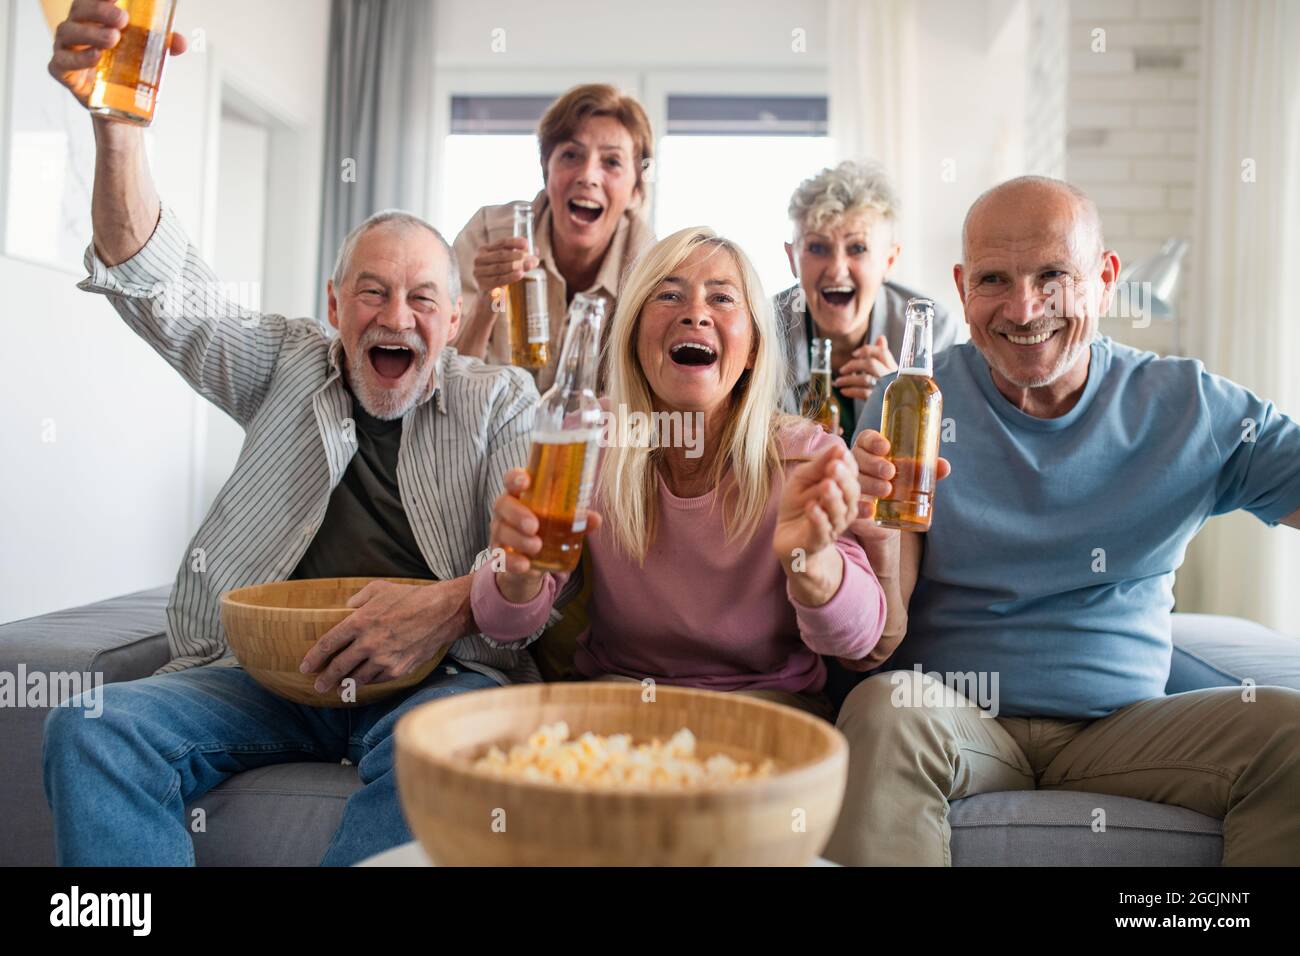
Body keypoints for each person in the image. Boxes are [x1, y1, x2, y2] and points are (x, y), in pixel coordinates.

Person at [41, 0, 537, 866]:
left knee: (449, 755)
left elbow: (531, 576)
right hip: (263, 679)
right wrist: (117, 127)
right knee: (92, 728)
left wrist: (445, 605)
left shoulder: (501, 401)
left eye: (423, 297)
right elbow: (160, 288)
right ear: (335, 305)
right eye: (372, 293)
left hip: (431, 683)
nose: (396, 315)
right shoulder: (287, 360)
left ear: (454, 319)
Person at [830, 175, 1300, 866]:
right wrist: (863, 537)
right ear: (962, 289)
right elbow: (877, 639)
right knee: (883, 708)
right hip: (959, 723)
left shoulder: (1185, 406)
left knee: (1288, 733)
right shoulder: (914, 405)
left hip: (1125, 730)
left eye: (1053, 275)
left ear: (1104, 280)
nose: (1025, 308)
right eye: (995, 279)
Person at [471, 227, 887, 716]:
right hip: (615, 697)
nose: (695, 311)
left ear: (752, 348)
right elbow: (502, 626)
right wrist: (516, 573)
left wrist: (814, 562)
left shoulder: (804, 453)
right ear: (633, 334)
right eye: (668, 294)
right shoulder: (589, 438)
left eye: (722, 298)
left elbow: (859, 640)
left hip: (764, 708)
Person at [452, 83, 657, 391]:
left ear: (636, 189)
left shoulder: (652, 271)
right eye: (571, 155)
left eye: (612, 162)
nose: (587, 175)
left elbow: (646, 402)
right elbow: (446, 387)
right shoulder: (489, 234)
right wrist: (487, 300)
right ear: (546, 170)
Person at [776, 160, 959, 431]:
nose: (837, 270)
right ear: (792, 259)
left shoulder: (932, 331)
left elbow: (953, 449)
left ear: (889, 259)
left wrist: (903, 402)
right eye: (817, 247)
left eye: (858, 248)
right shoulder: (760, 330)